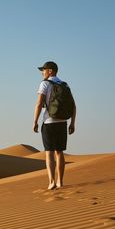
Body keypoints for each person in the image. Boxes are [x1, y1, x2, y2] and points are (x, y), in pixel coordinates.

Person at [33, 61, 76, 190]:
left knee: (49, 153)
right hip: (62, 123)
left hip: (49, 122)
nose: (42, 72)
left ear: (50, 71)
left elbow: (39, 104)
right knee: (60, 153)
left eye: (44, 70)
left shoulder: (45, 84)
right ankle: (60, 181)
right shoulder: (65, 84)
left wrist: (35, 121)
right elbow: (73, 106)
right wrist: (72, 123)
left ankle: (51, 181)